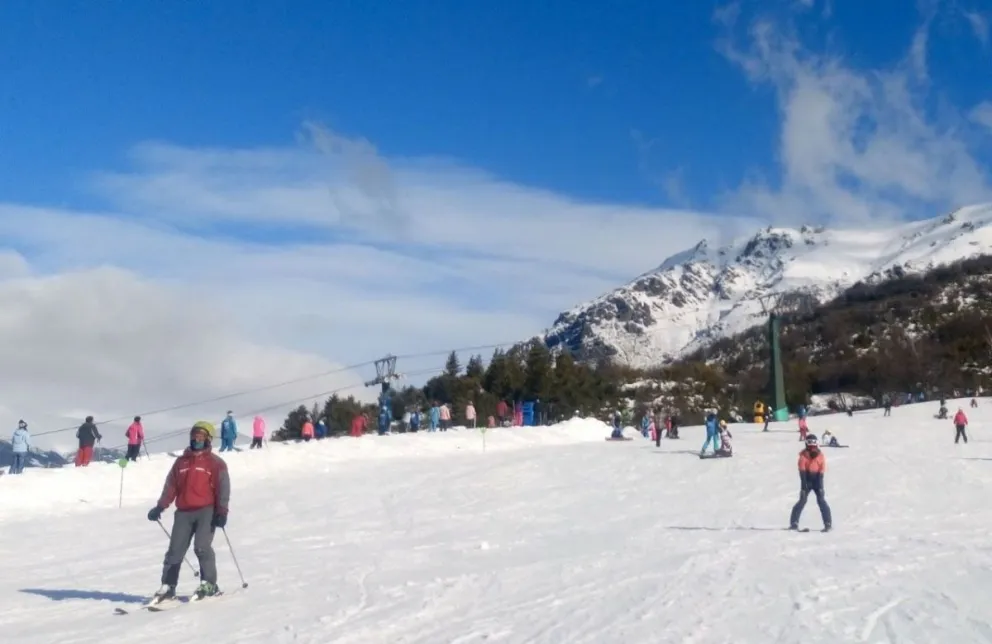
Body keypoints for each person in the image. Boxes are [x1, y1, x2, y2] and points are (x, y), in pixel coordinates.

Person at [146, 421, 230, 602]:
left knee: (202, 547)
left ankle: (209, 584)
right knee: (174, 550)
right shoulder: (181, 462)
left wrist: (222, 511)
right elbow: (171, 487)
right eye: (194, 435)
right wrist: (161, 506)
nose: (196, 438)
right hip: (183, 512)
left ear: (208, 439)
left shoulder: (215, 463)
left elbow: (223, 488)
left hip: (206, 510)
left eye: (201, 436)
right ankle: (168, 586)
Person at [789, 434, 832, 532]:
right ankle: (794, 523)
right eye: (809, 443)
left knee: (821, 501)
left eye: (813, 443)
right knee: (802, 501)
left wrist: (820, 483)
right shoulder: (803, 456)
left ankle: (828, 523)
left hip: (817, 479)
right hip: (807, 480)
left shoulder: (820, 456)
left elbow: (822, 469)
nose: (812, 446)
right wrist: (804, 484)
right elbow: (802, 471)